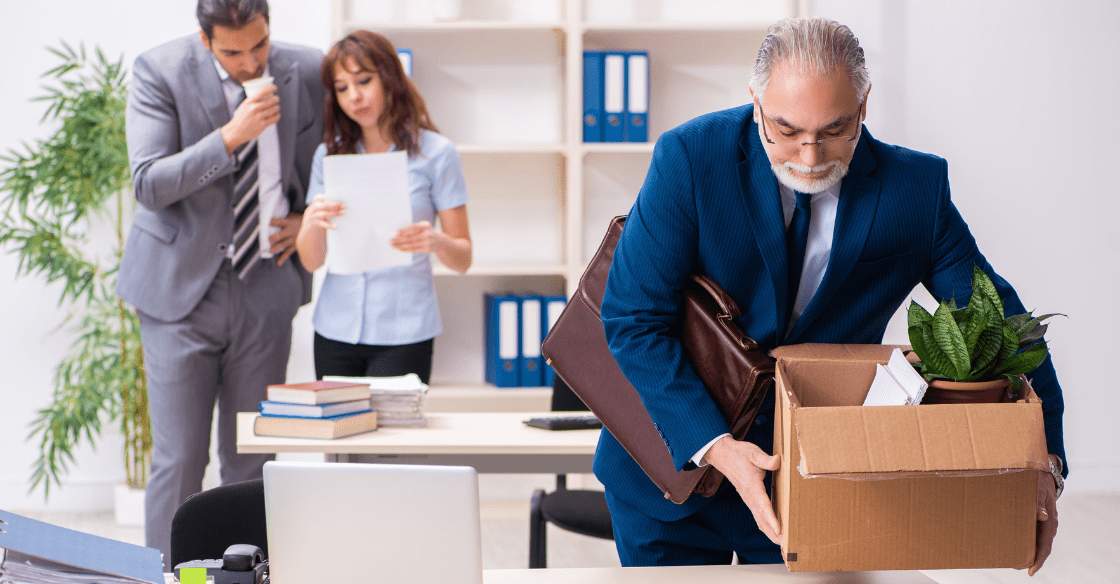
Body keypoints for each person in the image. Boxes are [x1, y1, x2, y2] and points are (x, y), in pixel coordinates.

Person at [598, 17, 1065, 575]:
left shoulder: (915, 190)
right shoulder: (691, 159)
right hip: (670, 469)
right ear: (755, 102)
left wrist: (1047, 465)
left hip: (817, 480)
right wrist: (716, 445)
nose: (810, 157)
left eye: (834, 130)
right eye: (786, 129)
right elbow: (632, 320)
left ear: (864, 105)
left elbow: (1005, 331)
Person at [117, 0, 325, 566]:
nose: (251, 61)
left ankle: (246, 575)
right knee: (180, 458)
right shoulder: (160, 71)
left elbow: (337, 158)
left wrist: (304, 217)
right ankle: (163, 576)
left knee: (253, 459)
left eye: (260, 45)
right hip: (179, 292)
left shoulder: (305, 69)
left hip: (266, 283)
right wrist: (232, 135)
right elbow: (149, 183)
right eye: (233, 52)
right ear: (205, 40)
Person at [295, 30, 471, 384]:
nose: (355, 97)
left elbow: (463, 258)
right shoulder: (328, 155)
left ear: (389, 78)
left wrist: (435, 242)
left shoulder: (436, 153)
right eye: (342, 88)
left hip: (404, 332)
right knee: (340, 436)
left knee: (391, 438)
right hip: (335, 328)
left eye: (364, 80)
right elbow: (312, 261)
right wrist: (310, 223)